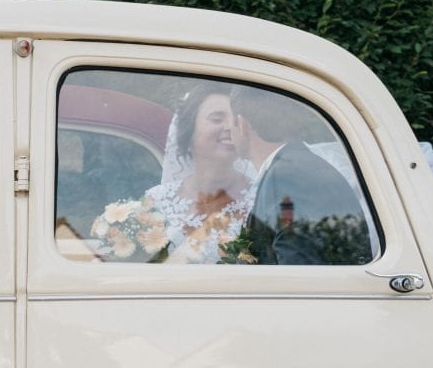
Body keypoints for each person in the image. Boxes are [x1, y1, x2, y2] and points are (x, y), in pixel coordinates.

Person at [230, 86, 370, 265]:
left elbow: (297, 274)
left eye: (230, 121)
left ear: (241, 124)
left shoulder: (289, 176)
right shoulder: (297, 167)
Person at [144, 82, 254, 263]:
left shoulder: (259, 200)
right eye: (217, 119)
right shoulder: (157, 200)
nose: (229, 127)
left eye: (235, 121)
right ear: (189, 131)